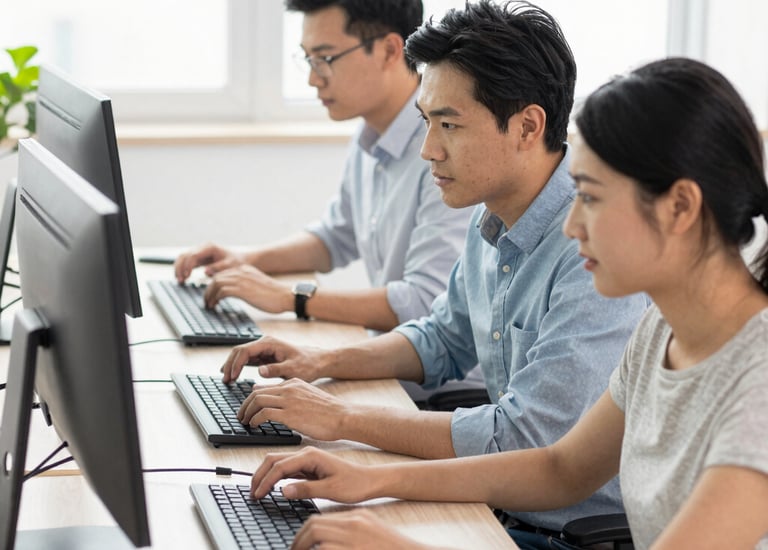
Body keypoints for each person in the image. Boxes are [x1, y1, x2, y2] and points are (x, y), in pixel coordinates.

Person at [246, 57, 768, 550]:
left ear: (679, 207)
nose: (570, 224)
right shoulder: (661, 332)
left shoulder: (758, 382)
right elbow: (559, 469)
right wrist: (369, 478)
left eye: (590, 197)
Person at [222, 0, 648, 534]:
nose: (428, 150)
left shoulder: (591, 253)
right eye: (427, 122)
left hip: (558, 533)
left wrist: (344, 421)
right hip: (493, 502)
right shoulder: (490, 214)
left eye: (449, 125)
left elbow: (522, 440)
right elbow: (442, 338)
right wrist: (319, 361)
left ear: (527, 126)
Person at [173, 0, 473, 335]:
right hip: (390, 362)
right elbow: (335, 238)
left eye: (326, 59)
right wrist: (245, 259)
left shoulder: (444, 151)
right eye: (309, 59)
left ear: (390, 51)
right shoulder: (371, 133)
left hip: (441, 385)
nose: (314, 79)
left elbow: (425, 302)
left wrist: (292, 298)